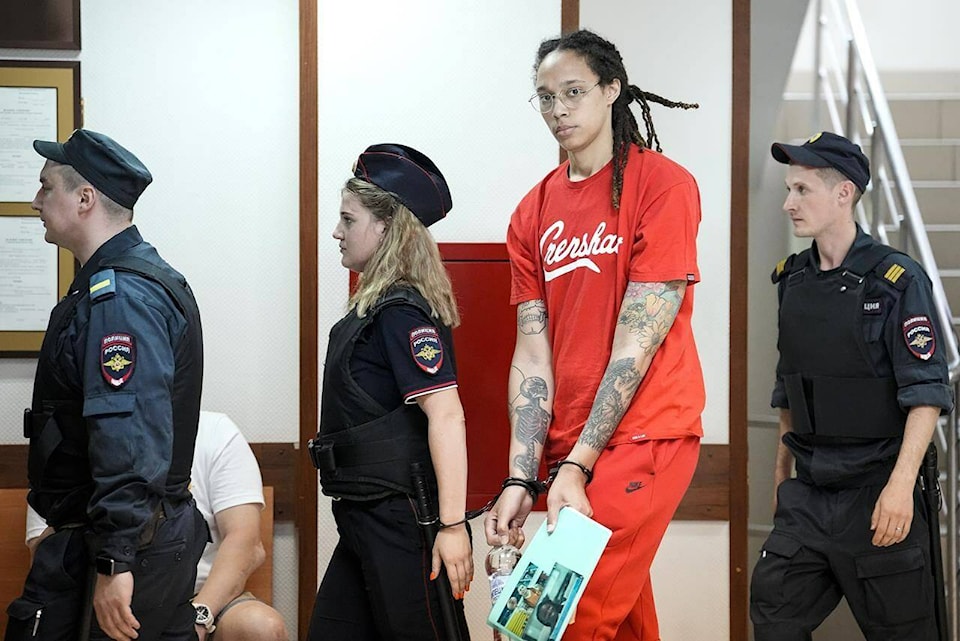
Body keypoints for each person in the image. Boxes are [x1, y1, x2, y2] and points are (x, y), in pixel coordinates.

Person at [483, 29, 705, 641]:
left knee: (544, 626)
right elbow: (532, 356)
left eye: (574, 91)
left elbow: (638, 342)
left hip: (643, 435)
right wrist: (521, 476)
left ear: (611, 90)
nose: (558, 109)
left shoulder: (663, 186)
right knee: (621, 620)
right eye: (545, 97)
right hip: (570, 450)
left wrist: (578, 465)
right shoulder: (531, 212)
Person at [750, 131, 954, 640]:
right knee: (774, 618)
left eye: (802, 190)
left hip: (877, 492)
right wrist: (780, 478)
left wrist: (901, 489)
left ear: (844, 193)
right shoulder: (791, 280)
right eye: (789, 189)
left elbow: (926, 396)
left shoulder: (898, 281)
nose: (788, 203)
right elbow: (788, 390)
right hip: (809, 495)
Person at [6, 129, 207, 641]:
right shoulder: (118, 283)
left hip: (130, 544)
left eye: (46, 187)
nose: (35, 201)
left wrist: (116, 559)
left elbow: (130, 435)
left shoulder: (123, 297)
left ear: (85, 198)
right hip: (125, 536)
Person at [306, 144, 473, 640]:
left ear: (385, 227)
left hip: (400, 520)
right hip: (361, 516)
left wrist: (452, 526)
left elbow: (447, 415)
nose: (336, 232)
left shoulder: (401, 311)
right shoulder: (373, 308)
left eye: (347, 219)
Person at [25, 411, 288, 641]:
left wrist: (199, 618)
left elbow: (246, 543)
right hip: (104, 601)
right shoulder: (70, 442)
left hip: (201, 598)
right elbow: (45, 554)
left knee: (260, 627)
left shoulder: (213, 430)